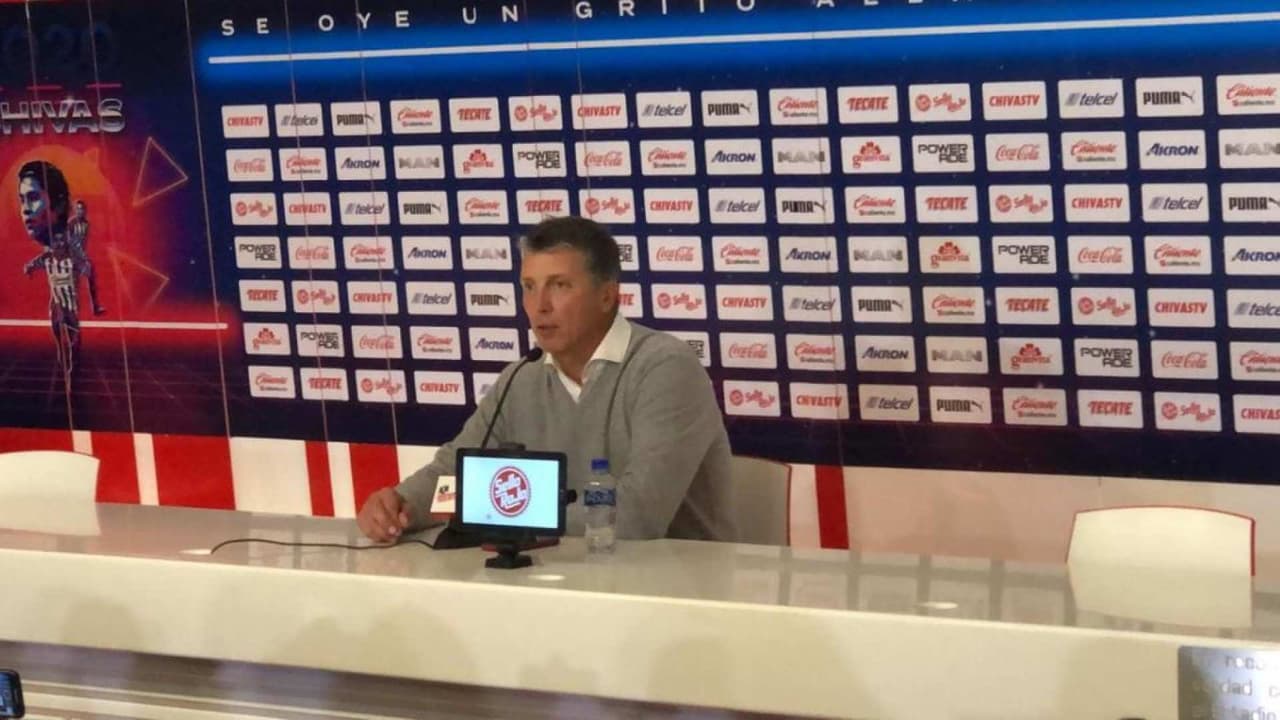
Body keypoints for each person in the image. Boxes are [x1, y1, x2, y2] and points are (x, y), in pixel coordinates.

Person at [357, 216, 735, 543]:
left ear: (607, 296)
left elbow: (637, 517)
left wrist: (510, 515)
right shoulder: (522, 378)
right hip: (564, 579)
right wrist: (402, 504)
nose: (540, 306)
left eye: (559, 285)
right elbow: (456, 474)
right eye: (529, 287)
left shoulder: (664, 368)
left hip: (678, 588)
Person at [24, 238, 82, 374]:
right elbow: (29, 265)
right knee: (56, 326)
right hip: (56, 301)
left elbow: (85, 267)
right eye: (55, 246)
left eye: (61, 245)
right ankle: (60, 349)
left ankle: (74, 359)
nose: (58, 249)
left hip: (70, 302)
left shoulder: (72, 260)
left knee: (74, 337)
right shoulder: (46, 259)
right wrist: (28, 269)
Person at [67, 200, 105, 315]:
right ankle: (71, 310)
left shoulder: (86, 224)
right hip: (72, 257)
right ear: (75, 210)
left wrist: (83, 254)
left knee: (91, 277)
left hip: (81, 257)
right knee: (73, 284)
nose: (80, 211)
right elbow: (69, 242)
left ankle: (95, 307)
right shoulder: (71, 224)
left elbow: (83, 242)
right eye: (78, 209)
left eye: (82, 209)